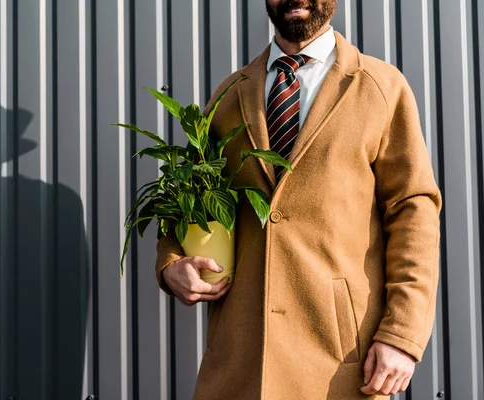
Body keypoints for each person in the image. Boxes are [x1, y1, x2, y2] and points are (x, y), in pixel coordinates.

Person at [154, 0, 442, 398]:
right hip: (240, 361)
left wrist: (402, 334)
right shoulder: (231, 93)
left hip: (339, 361)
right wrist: (171, 264)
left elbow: (414, 211)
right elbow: (186, 194)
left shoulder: (380, 87)